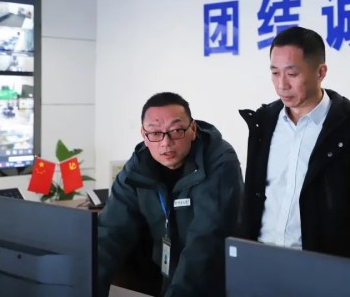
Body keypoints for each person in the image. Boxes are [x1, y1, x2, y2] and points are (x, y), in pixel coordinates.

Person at [238, 26, 350, 260]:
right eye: (275, 73)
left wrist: (335, 240)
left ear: (320, 72)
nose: (282, 84)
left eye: (292, 74)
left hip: (324, 267)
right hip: (261, 260)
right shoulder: (263, 124)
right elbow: (254, 195)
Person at [98, 92, 243, 297]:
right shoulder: (137, 166)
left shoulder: (219, 161)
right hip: (165, 275)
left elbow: (206, 241)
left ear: (193, 129)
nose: (165, 143)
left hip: (215, 282)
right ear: (144, 135)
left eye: (175, 131)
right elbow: (110, 232)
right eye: (155, 133)